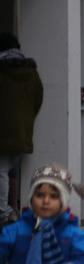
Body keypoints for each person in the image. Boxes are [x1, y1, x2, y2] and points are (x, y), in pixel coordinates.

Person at [0, 34, 44, 226]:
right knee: (11, 170)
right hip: (23, 130)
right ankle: (11, 207)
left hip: (4, 129)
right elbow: (38, 98)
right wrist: (26, 119)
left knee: (2, 170)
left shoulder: (1, 70)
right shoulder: (31, 72)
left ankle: (4, 211)